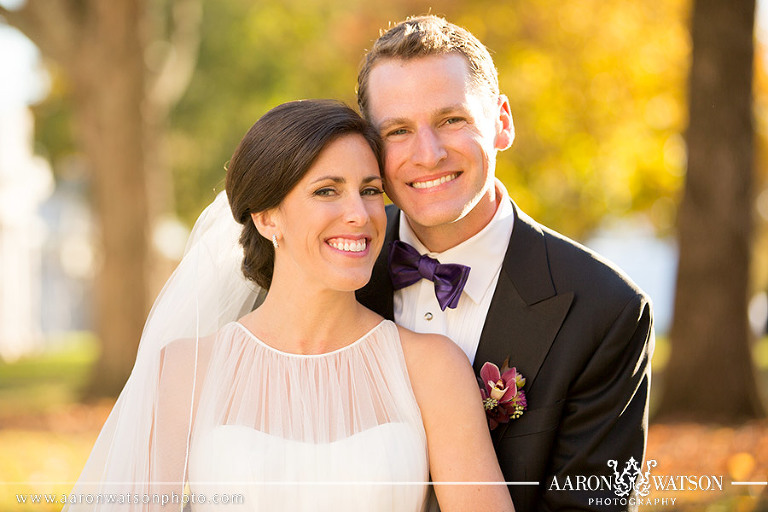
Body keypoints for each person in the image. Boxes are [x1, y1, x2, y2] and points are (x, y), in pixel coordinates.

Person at [65, 100, 515, 511]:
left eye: (371, 190)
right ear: (266, 217)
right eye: (327, 191)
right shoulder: (186, 371)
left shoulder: (432, 368)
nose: (360, 213)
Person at [355, 15, 654, 511]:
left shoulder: (606, 311)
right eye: (398, 130)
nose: (427, 154)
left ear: (502, 121)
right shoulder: (334, 271)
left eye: (451, 120)